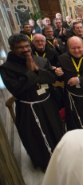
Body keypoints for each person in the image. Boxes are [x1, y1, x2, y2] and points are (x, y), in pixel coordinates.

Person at [0, 34, 64, 171]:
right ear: (12, 48)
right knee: (37, 137)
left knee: (56, 130)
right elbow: (16, 88)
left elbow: (52, 78)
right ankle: (47, 164)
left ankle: (61, 158)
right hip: (28, 107)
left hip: (47, 102)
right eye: (20, 47)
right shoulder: (7, 67)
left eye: (27, 46)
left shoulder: (41, 61)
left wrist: (36, 70)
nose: (25, 50)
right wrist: (29, 71)